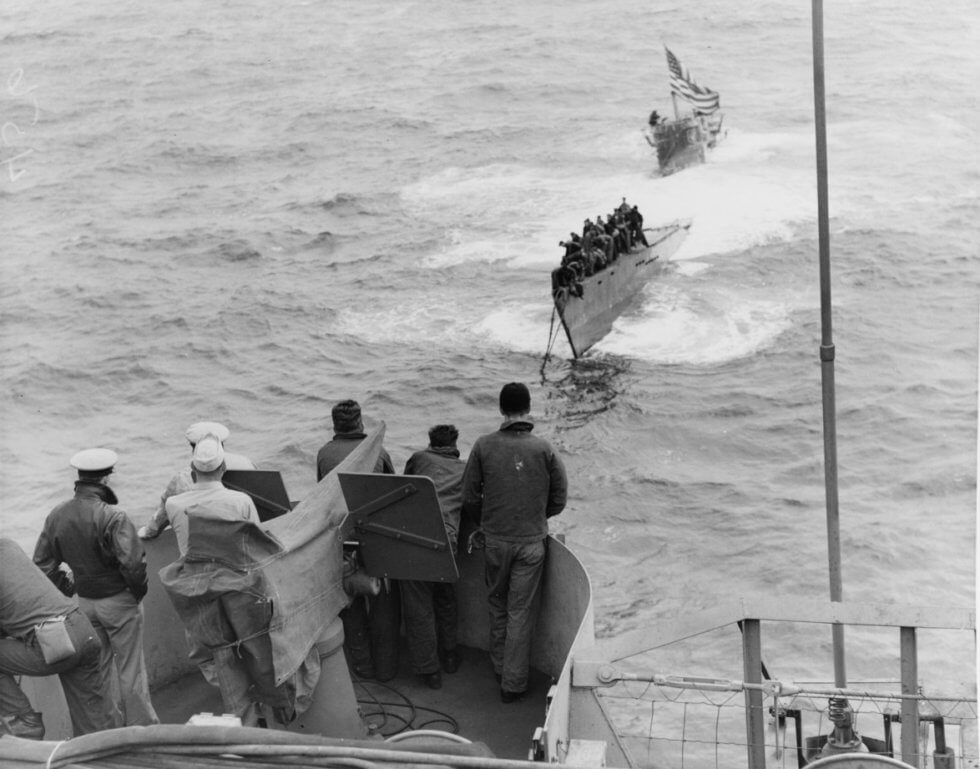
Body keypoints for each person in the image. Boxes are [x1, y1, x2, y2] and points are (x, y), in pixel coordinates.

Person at [33, 448, 159, 726]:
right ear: (106, 480)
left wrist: (71, 587)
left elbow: (42, 566)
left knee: (97, 675)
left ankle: (106, 737)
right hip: (119, 601)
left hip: (84, 604)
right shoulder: (114, 517)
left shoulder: (57, 515)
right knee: (131, 672)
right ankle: (142, 737)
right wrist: (134, 595)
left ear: (80, 479)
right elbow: (134, 565)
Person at [461, 383, 567, 703]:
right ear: (529, 408)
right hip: (532, 544)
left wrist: (487, 522)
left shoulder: (483, 446)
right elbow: (559, 499)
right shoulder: (545, 449)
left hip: (494, 540)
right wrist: (538, 517)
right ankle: (513, 683)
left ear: (501, 410)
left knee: (497, 604)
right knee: (520, 612)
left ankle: (498, 666)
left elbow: (469, 496)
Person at [0, 538, 123, 738]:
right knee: (94, 725)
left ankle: (24, 723)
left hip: (55, 642)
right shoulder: (7, 545)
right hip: (83, 630)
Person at [316, 400, 399, 681]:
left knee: (349, 604)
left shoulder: (324, 454)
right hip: (376, 537)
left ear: (335, 425)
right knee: (383, 605)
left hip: (342, 541)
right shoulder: (378, 452)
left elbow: (322, 498)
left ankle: (361, 668)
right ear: (361, 423)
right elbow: (394, 492)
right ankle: (386, 670)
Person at [401, 425, 465, 690]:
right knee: (446, 599)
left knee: (419, 607)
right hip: (446, 540)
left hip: (415, 538)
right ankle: (450, 656)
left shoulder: (418, 459)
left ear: (430, 442)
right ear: (454, 443)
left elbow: (404, 487)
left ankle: (430, 673)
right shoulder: (465, 469)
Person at [139, 421, 255, 541]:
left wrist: (146, 532)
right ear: (222, 443)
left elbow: (161, 518)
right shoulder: (245, 463)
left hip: (199, 542)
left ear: (193, 446)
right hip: (241, 538)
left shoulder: (182, 478)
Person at [163, 433, 260, 557]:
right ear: (224, 466)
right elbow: (257, 546)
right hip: (233, 575)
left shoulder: (173, 504)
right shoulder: (243, 502)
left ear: (192, 467)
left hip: (192, 575)